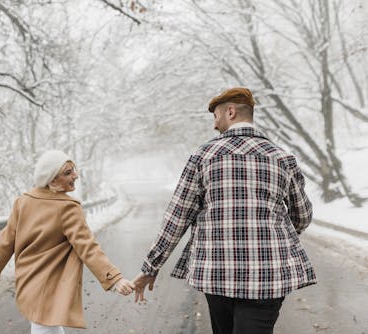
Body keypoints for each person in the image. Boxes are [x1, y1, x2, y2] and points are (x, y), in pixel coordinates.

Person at [133, 88, 317, 334]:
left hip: (217, 275)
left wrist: (150, 267)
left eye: (216, 116)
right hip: (268, 277)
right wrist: (272, 237)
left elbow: (177, 218)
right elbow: (302, 216)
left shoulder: (203, 157)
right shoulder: (282, 158)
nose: (214, 124)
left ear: (230, 112)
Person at [0, 150, 135, 334]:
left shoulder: (23, 202)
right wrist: (114, 279)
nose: (75, 175)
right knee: (45, 326)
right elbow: (88, 248)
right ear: (51, 180)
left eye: (73, 170)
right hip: (50, 287)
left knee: (48, 326)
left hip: (28, 282)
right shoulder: (67, 208)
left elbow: (4, 244)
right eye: (67, 172)